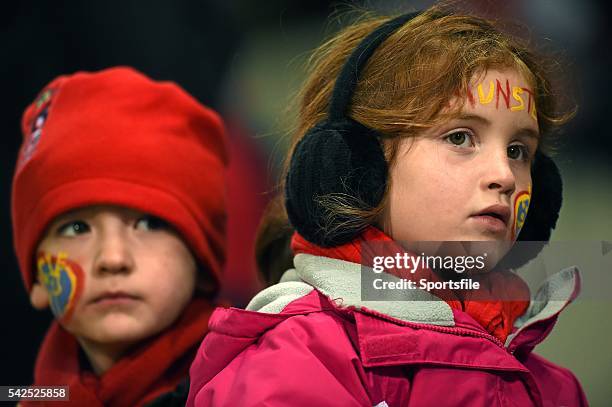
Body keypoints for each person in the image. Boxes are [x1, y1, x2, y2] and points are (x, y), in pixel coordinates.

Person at [187, 5, 588, 406]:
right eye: (460, 138)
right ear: (359, 167)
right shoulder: (298, 361)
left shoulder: (556, 389)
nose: (503, 174)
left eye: (519, 150)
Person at [12, 66, 229, 406]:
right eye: (76, 229)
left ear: (201, 263)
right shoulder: (33, 398)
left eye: (149, 224)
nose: (113, 259)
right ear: (37, 281)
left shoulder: (244, 381)